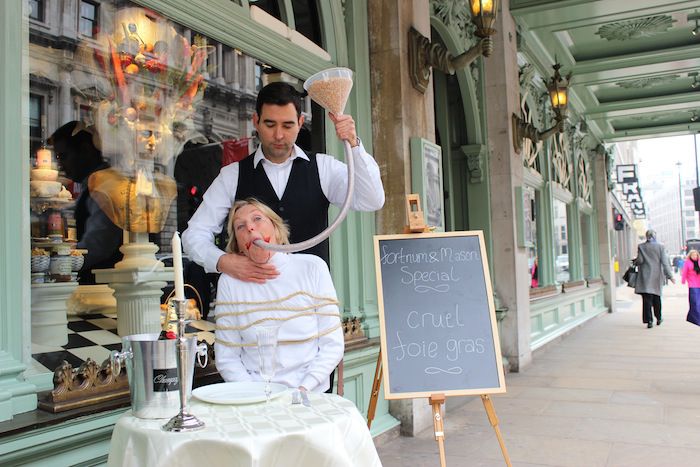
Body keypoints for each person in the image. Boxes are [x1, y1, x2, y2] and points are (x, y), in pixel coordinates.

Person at [182, 81, 385, 283]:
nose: (278, 135)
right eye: (270, 124)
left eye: (287, 125)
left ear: (300, 122)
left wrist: (354, 144)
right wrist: (224, 261)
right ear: (256, 121)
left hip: (310, 298)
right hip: (252, 298)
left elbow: (372, 200)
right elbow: (195, 234)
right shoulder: (232, 175)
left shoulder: (323, 168)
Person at [214, 199, 343, 393]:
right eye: (240, 226)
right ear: (239, 245)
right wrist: (256, 396)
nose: (250, 227)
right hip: (255, 398)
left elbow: (332, 343)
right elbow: (227, 357)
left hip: (310, 394)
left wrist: (304, 388)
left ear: (276, 229)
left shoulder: (312, 267)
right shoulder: (229, 282)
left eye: (257, 218)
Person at [49, 121, 123, 284]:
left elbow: (98, 245)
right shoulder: (91, 185)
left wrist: (60, 263)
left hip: (103, 288)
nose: (60, 165)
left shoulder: (104, 186)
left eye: (63, 156)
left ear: (85, 150)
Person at [634, 229, 675, 328]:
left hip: (645, 276)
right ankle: (659, 317)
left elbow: (640, 260)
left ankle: (649, 321)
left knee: (646, 299)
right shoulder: (660, 247)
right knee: (657, 297)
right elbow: (665, 263)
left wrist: (635, 262)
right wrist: (670, 276)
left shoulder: (641, 246)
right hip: (656, 276)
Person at [681, 249, 700, 326]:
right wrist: (683, 280)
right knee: (694, 301)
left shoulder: (699, 262)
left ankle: (693, 317)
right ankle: (695, 318)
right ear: (690, 256)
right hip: (692, 284)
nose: (694, 256)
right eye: (693, 255)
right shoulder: (687, 263)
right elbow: (684, 272)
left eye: (695, 255)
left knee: (698, 302)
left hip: (699, 283)